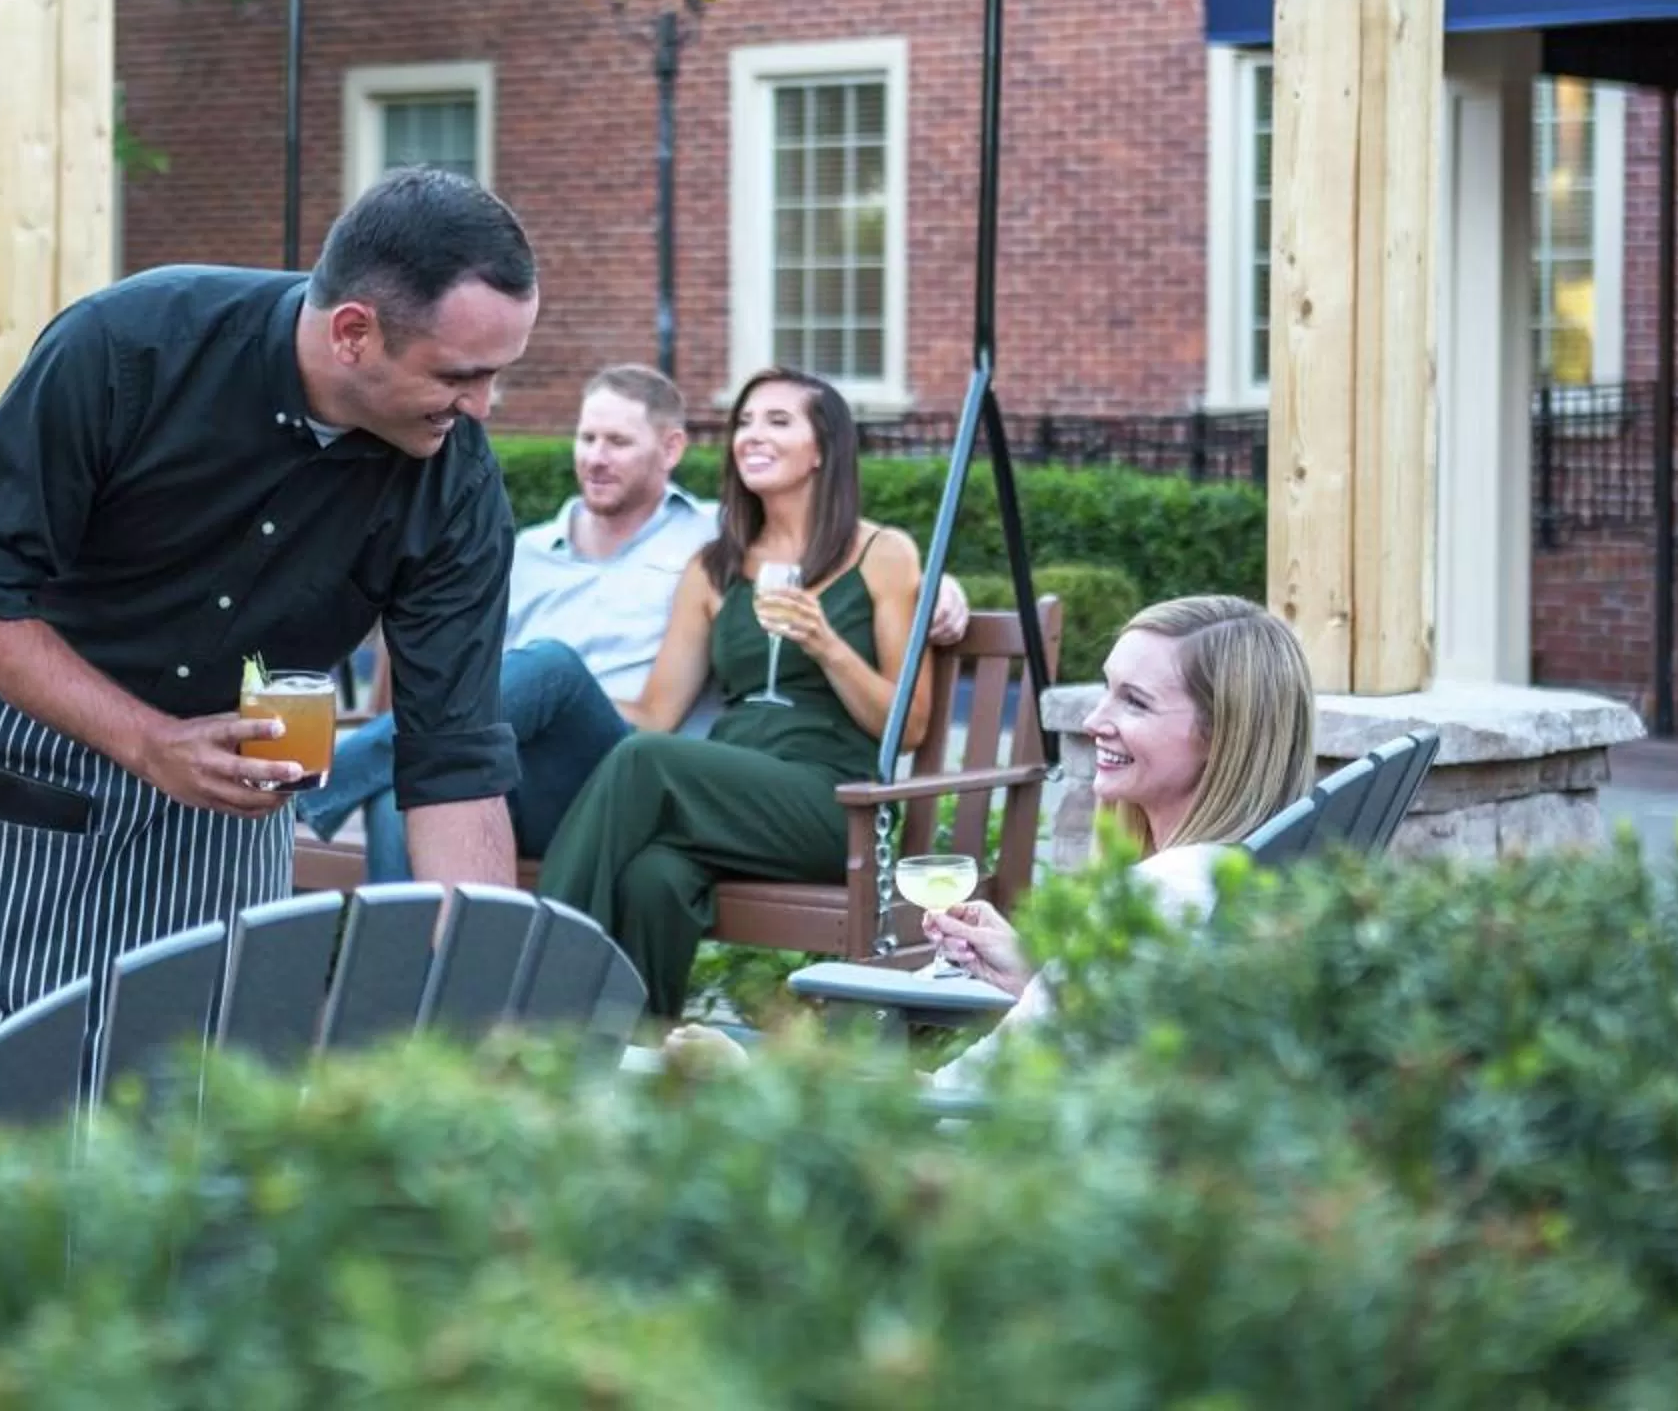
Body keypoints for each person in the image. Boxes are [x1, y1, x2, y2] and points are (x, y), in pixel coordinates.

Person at [0, 168, 537, 1163]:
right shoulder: (128, 347)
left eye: (497, 373)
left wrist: (489, 987)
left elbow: (453, 757)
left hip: (226, 797)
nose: (483, 406)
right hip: (28, 750)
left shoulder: (456, 488)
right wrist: (150, 741)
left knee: (204, 1067)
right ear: (354, 330)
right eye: (458, 375)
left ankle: (147, 1316)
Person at [298, 365, 972, 880]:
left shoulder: (717, 539)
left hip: (630, 766)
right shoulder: (521, 548)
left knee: (553, 666)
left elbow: (839, 549)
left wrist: (942, 585)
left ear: (672, 448)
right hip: (518, 773)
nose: (596, 456)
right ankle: (407, 1019)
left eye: (618, 441)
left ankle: (317, 784)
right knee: (408, 793)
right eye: (587, 438)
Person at [535, 366, 927, 1019]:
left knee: (644, 763)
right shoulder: (714, 566)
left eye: (777, 421)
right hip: (731, 794)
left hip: (838, 804)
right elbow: (656, 715)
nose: (752, 435)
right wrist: (554, 697)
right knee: (652, 877)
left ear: (824, 448)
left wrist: (827, 644)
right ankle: (636, 1058)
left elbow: (909, 726)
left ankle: (531, 1001)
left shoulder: (883, 554)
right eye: (744, 421)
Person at [919, 594, 1314, 1086]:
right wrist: (1042, 973)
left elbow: (963, 1095)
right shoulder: (1223, 876)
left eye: (1135, 701)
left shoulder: (1163, 892)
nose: (1093, 722)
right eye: (1109, 690)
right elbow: (1115, 1033)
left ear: (1221, 736)